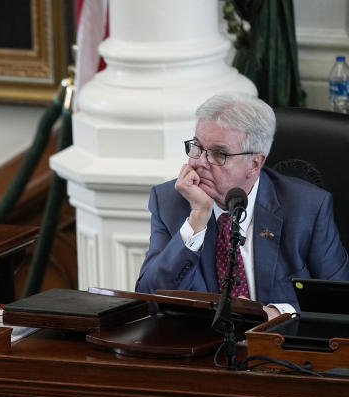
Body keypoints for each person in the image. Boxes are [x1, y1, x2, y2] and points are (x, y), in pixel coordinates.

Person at [135, 92, 349, 317]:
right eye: (196, 147)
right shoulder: (171, 201)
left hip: (278, 345)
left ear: (255, 164)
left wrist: (278, 313)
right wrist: (197, 219)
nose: (199, 163)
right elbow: (150, 300)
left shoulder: (307, 208)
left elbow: (340, 304)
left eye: (219, 154)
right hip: (202, 346)